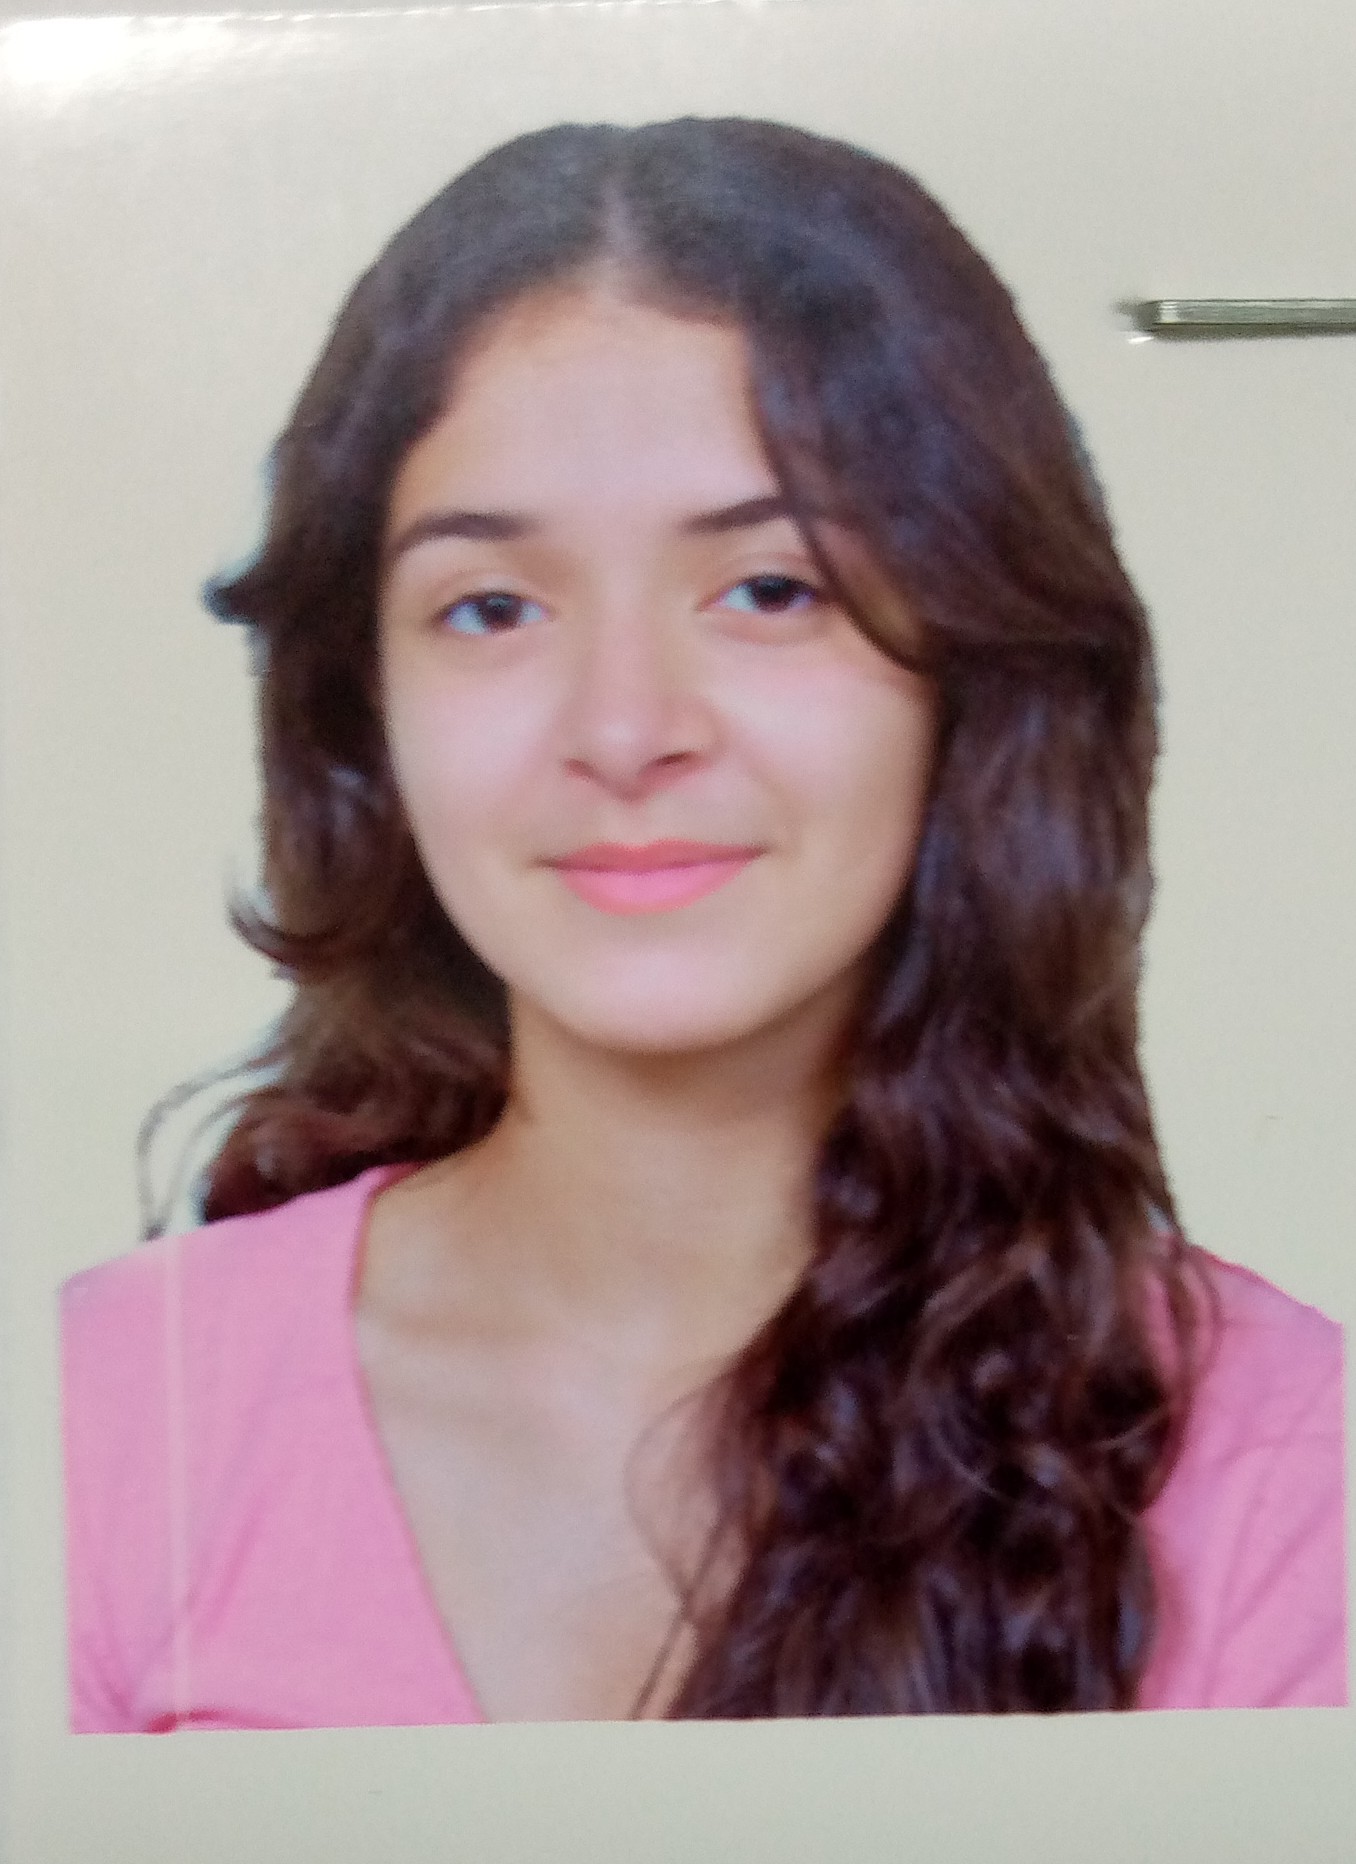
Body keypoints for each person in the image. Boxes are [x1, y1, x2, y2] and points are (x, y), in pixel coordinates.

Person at [60, 116, 1345, 1731]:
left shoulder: (1290, 1464)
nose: (625, 729)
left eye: (770, 589)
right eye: (493, 606)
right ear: (364, 708)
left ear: (977, 673)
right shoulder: (99, 1416)